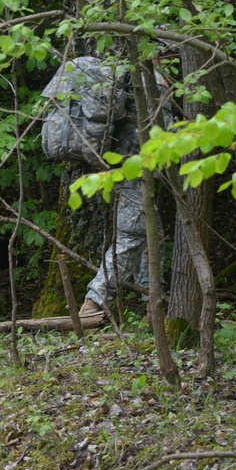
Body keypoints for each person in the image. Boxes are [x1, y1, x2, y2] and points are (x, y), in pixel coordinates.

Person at [79, 60, 175, 319]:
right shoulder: (149, 81)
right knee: (131, 236)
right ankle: (93, 305)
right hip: (133, 168)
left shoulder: (140, 78)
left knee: (152, 235)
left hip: (130, 166)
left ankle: (153, 306)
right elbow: (162, 128)